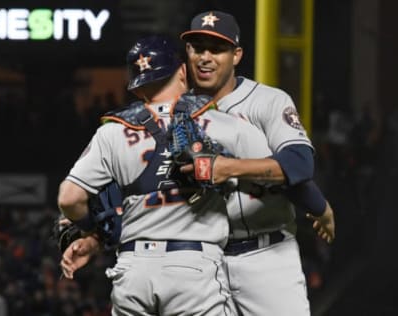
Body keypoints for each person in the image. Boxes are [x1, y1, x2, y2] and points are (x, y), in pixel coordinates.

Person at [57, 35, 279, 316]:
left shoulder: (111, 132)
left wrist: (93, 233)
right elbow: (278, 172)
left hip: (132, 269)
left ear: (137, 88)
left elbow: (69, 198)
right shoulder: (221, 121)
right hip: (193, 266)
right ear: (183, 71)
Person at [180, 10, 335, 315]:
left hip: (267, 256)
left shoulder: (267, 101)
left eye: (217, 49)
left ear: (236, 55)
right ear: (188, 52)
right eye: (198, 48)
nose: (205, 57)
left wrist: (229, 167)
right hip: (200, 261)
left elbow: (299, 164)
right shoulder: (176, 110)